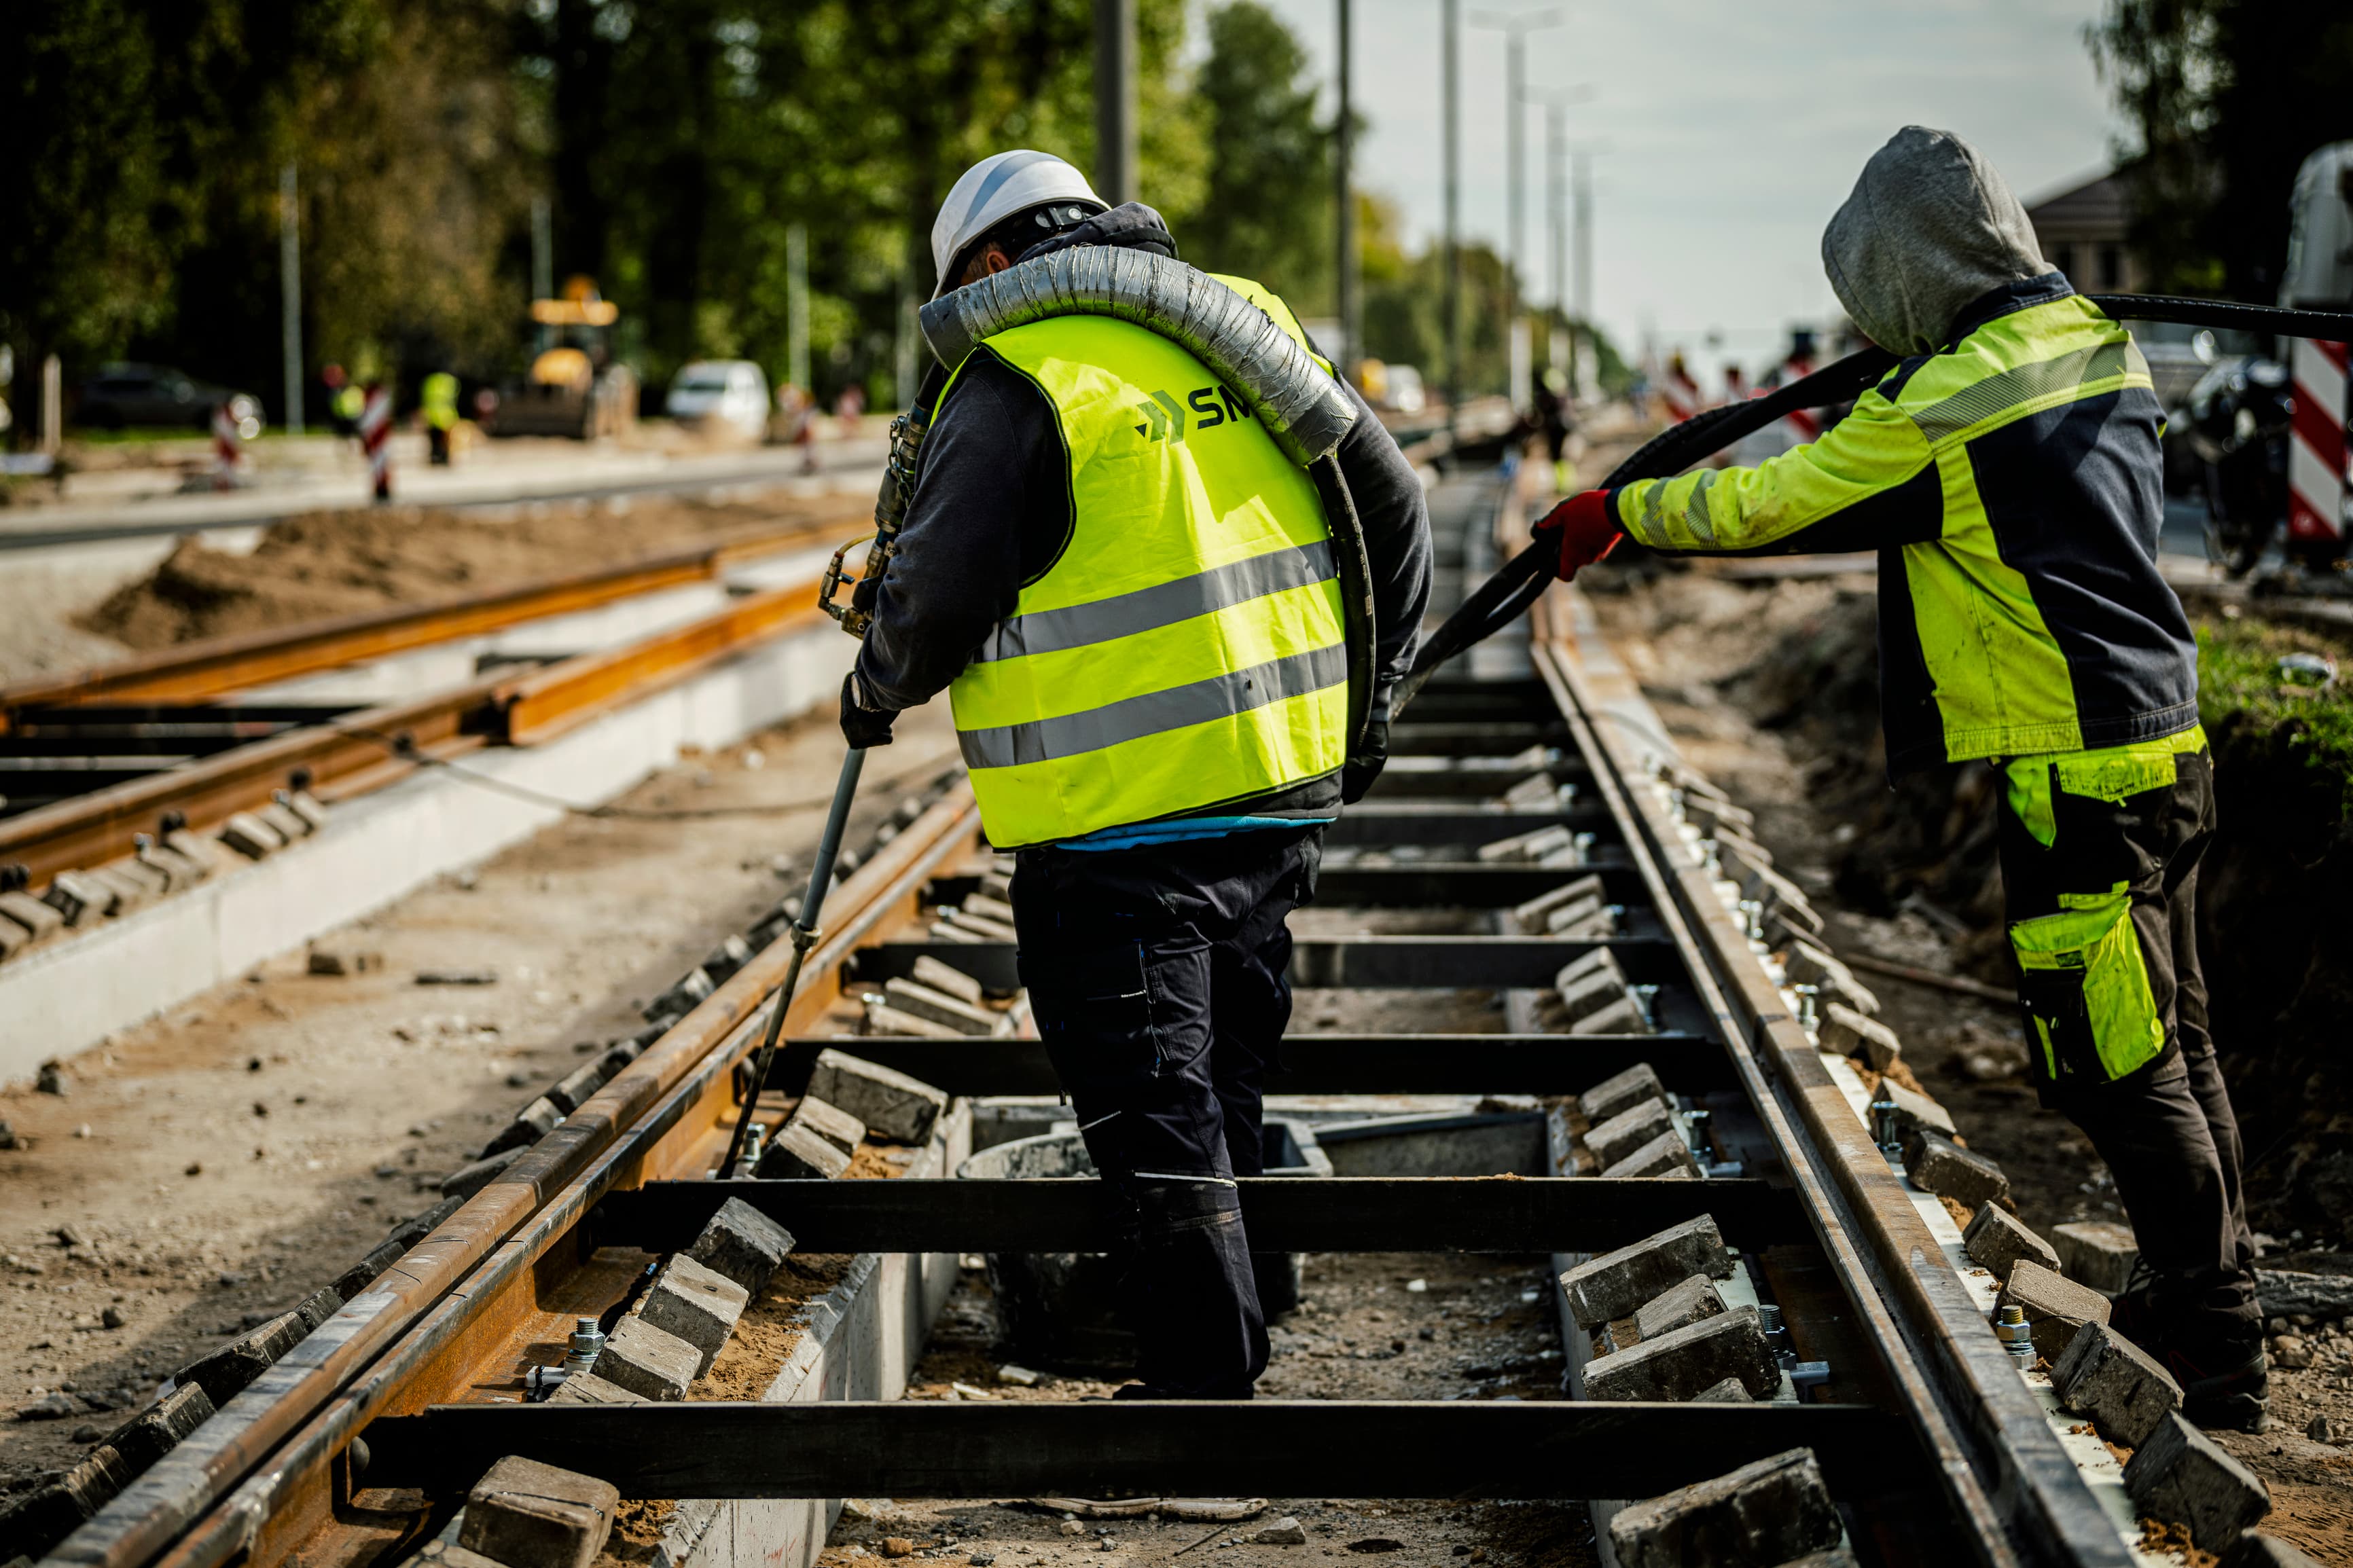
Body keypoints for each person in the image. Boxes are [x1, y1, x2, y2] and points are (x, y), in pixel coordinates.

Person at [1534, 126, 2262, 1429]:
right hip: (2166, 740)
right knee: (2175, 1040)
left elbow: (1769, 503)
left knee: (2106, 1061)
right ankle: (2207, 1291)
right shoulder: (2088, 343)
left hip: (2070, 765)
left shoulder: (1942, 399)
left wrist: (1618, 514)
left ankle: (2214, 1350)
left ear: (1901, 271)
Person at [843, 150, 1432, 1400]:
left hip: (1118, 826)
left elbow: (932, 594)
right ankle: (1252, 1300)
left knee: (1152, 1107)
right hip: (1269, 798)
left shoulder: (1017, 378)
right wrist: (1365, 714)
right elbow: (1396, 512)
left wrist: (872, 682)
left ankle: (1200, 1390)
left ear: (988, 268)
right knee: (1222, 1069)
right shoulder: (1247, 326)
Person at [421, 369, 460, 466]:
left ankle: (436, 457)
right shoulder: (451, 381)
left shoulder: (430, 380)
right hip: (446, 416)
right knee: (444, 441)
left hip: (433, 416)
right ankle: (444, 458)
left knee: (435, 440)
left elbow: (425, 399)